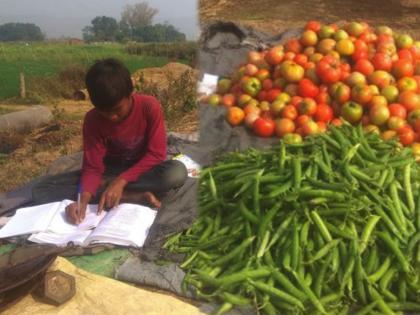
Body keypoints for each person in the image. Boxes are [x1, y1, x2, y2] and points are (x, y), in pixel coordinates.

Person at [33, 58, 188, 224]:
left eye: (117, 110)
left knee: (176, 172)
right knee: (40, 190)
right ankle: (131, 196)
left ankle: (110, 190)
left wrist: (121, 181)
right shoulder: (92, 119)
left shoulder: (149, 107)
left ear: (130, 94)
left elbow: (156, 154)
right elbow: (93, 167)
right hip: (108, 172)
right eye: (103, 112)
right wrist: (82, 201)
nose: (112, 117)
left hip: (142, 169)